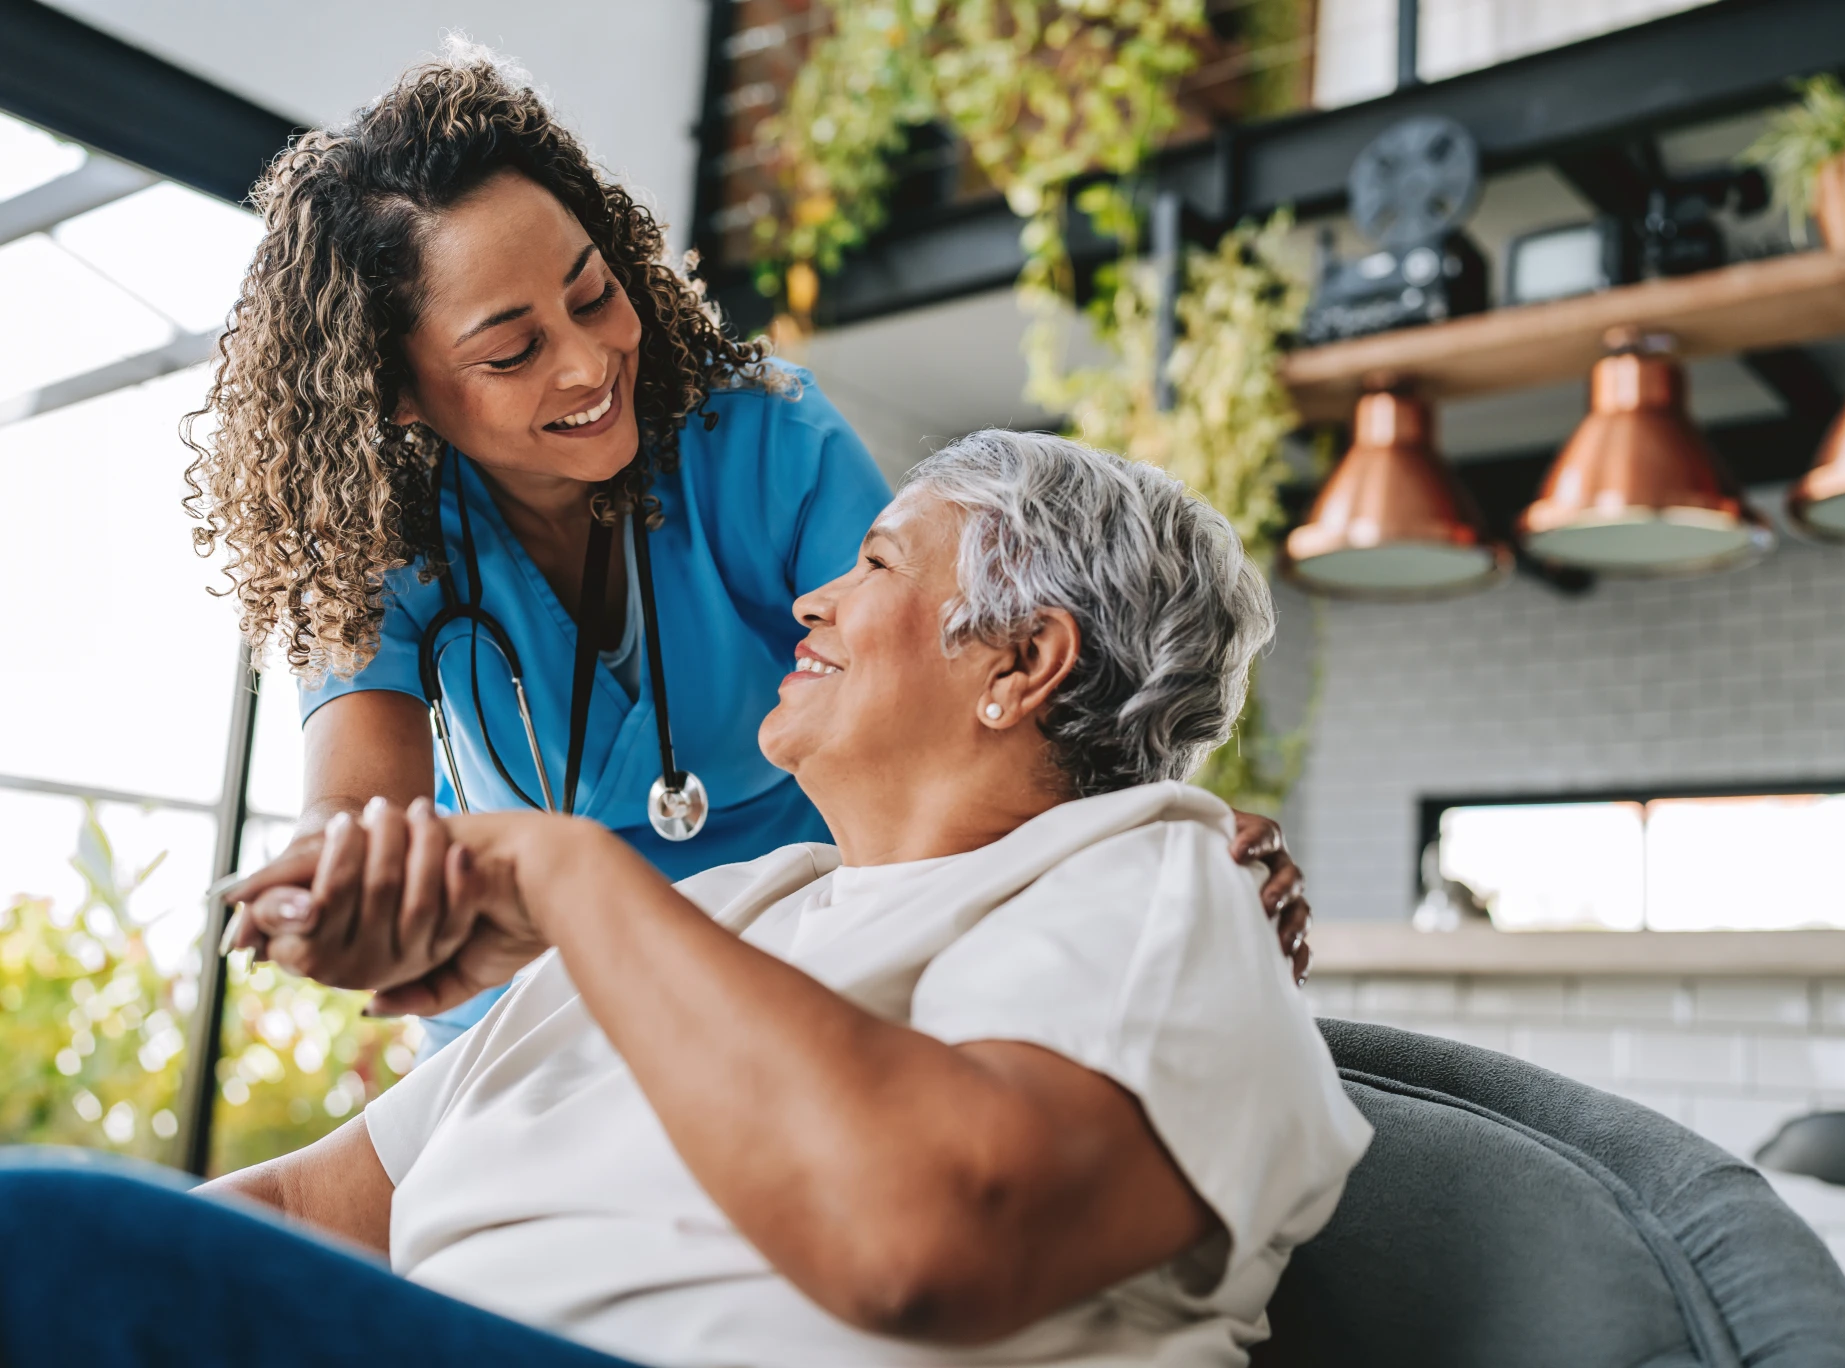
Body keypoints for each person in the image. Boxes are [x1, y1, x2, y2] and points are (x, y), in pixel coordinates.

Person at [0, 432, 1370, 1368]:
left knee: (49, 1240)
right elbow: (304, 1214)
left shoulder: (1148, 887)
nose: (812, 603)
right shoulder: (730, 912)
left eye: (878, 565)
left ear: (1020, 661)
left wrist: (564, 865)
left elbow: (923, 1241)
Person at [182, 47, 1312, 1053]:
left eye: (592, 294)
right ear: (398, 396)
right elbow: (357, 815)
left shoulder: (764, 441)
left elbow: (963, 694)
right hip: (523, 1027)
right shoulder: (387, 537)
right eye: (513, 350)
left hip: (789, 983)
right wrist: (338, 889)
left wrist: (1154, 844)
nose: (587, 364)